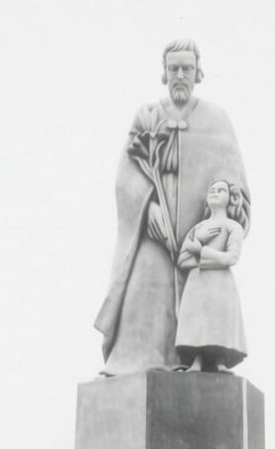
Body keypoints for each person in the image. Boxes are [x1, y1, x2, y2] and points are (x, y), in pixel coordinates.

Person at [96, 40, 249, 375]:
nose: (180, 75)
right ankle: (137, 364)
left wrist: (228, 210)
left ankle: (200, 359)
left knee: (201, 306)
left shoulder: (217, 120)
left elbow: (234, 178)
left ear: (198, 73)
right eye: (174, 68)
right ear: (165, 73)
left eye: (187, 69)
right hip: (154, 231)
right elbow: (126, 176)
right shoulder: (148, 115)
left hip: (200, 236)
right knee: (143, 294)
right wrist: (147, 207)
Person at [175, 179, 248, 371]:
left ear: (230, 198)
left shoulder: (233, 227)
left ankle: (219, 360)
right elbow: (182, 260)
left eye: (221, 190)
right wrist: (199, 241)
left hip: (220, 284)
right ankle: (197, 360)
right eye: (212, 190)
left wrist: (201, 251)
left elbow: (231, 257)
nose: (215, 192)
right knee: (198, 320)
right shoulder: (198, 229)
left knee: (218, 319)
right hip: (197, 283)